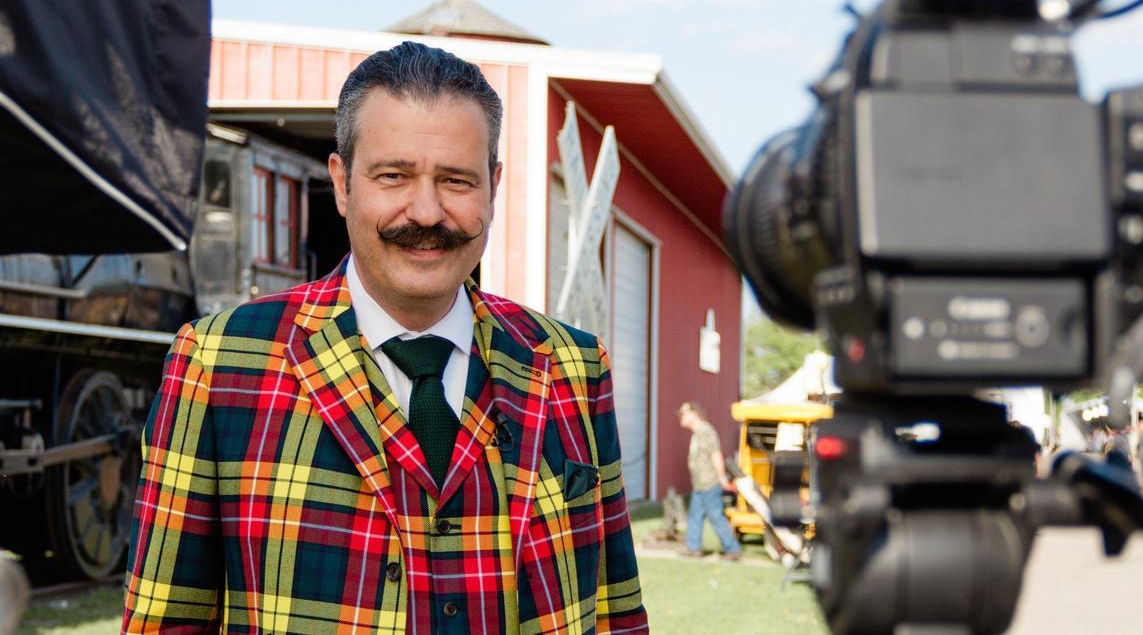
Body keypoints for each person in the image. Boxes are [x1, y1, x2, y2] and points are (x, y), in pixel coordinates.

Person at [123, 40, 648, 634]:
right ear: (343, 185)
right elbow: (165, 624)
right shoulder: (218, 365)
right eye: (394, 176)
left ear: (494, 189)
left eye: (456, 180)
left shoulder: (575, 368)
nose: (426, 212)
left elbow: (617, 617)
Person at [676, 401, 742, 560]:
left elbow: (715, 455)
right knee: (694, 515)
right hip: (700, 485)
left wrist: (722, 478)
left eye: (683, 414)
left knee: (715, 516)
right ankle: (693, 548)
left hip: (709, 483)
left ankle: (732, 549)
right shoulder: (698, 433)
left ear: (693, 414)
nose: (681, 418)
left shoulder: (705, 431)